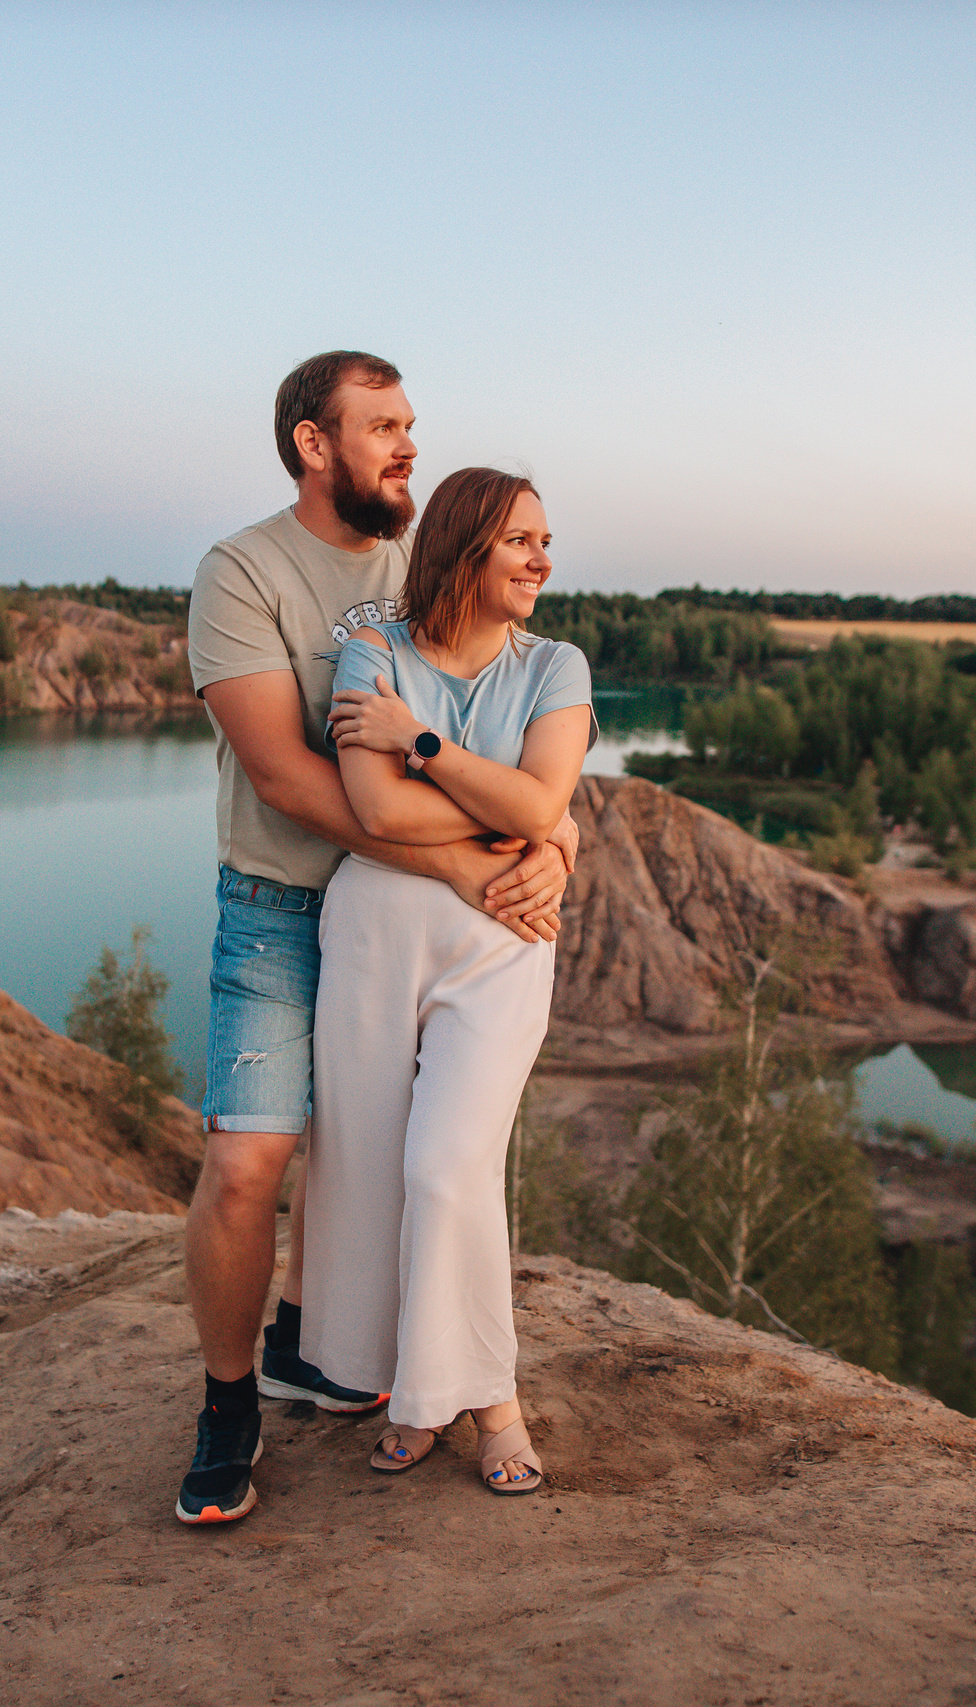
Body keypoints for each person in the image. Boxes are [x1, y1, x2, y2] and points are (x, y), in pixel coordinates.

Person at [176, 354, 579, 1525]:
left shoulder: (436, 560)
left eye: (412, 426)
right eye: (383, 427)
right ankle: (227, 1403)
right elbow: (289, 777)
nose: (409, 446)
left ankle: (353, 1357)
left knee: (416, 1159)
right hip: (280, 907)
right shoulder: (242, 571)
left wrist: (555, 845)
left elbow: (528, 742)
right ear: (314, 443)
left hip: (414, 914)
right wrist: (472, 856)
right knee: (254, 1164)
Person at [303, 467, 592, 1495]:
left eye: (545, 541)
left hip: (504, 937)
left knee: (447, 1168)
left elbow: (540, 795)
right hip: (376, 934)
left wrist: (423, 743)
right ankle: (415, 1395)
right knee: (376, 1171)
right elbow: (376, 815)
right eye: (521, 540)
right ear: (465, 547)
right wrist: (525, 817)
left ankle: (494, 1403)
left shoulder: (557, 665)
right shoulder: (373, 649)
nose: (542, 559)